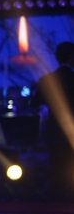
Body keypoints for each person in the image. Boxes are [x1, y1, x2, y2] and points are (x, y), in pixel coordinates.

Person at [33, 41, 74, 202]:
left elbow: (35, 103)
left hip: (54, 131)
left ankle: (57, 200)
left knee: (56, 166)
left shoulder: (46, 80)